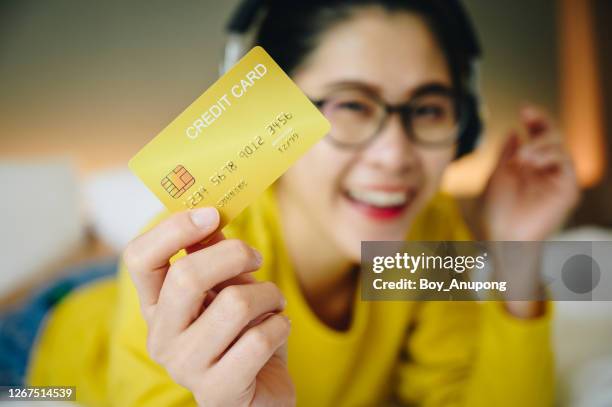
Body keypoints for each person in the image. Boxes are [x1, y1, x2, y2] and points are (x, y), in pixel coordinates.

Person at [23, 0, 579, 406]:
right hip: (61, 341)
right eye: (350, 106)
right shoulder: (192, 257)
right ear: (275, 119)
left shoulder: (431, 230)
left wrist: (520, 251)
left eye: (428, 109)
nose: (395, 154)